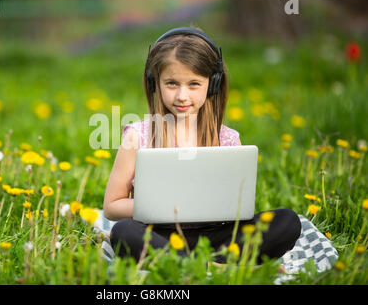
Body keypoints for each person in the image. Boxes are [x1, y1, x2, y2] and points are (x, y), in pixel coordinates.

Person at [103, 26, 301, 269]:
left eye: (194, 84)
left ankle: (205, 265)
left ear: (214, 83)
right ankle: (219, 269)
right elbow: (112, 207)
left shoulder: (228, 139)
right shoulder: (138, 136)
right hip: (161, 237)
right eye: (172, 83)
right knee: (124, 232)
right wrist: (164, 204)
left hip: (218, 238)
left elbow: (238, 206)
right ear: (155, 83)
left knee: (287, 221)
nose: (182, 96)